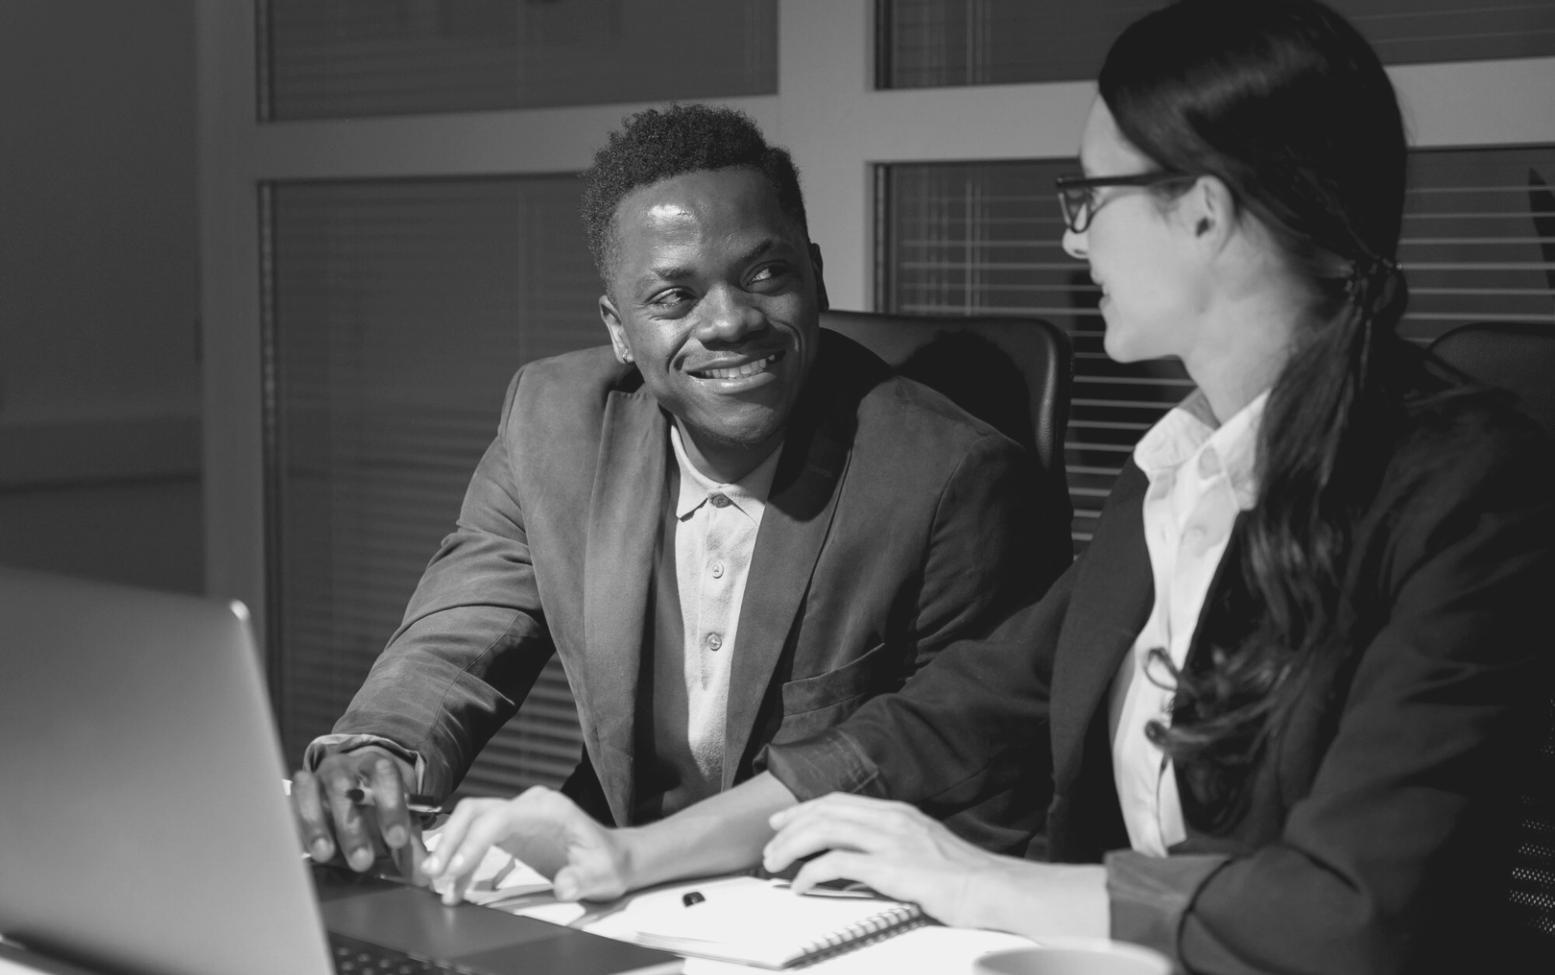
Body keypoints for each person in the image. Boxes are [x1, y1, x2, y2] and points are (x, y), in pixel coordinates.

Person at [744, 2, 1554, 972]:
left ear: (1203, 211)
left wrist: (981, 880)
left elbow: (1355, 905)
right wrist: (641, 851)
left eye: (1088, 197)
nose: (1071, 244)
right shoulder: (1174, 471)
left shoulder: (1462, 486)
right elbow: (977, 701)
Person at [291, 104, 1072, 884]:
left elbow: (948, 762)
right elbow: (459, 635)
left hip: (826, 902)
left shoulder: (950, 478)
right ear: (620, 330)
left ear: (817, 275)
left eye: (765, 274)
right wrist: (377, 753)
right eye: (674, 297)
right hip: (608, 889)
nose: (729, 320)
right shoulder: (553, 424)